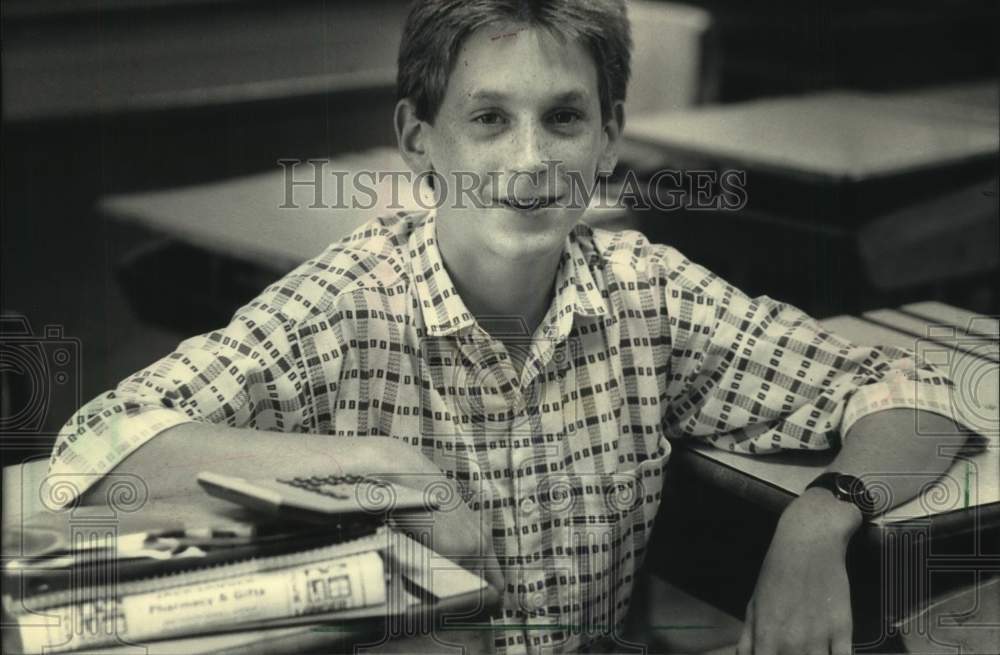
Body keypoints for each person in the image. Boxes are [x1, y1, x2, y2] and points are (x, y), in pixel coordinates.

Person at [48, 1, 969, 654]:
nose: (529, 162)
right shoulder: (343, 307)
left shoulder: (647, 294)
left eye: (563, 118)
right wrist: (387, 467)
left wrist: (817, 524)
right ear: (420, 140)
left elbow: (913, 395)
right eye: (488, 118)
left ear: (608, 138)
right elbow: (92, 452)